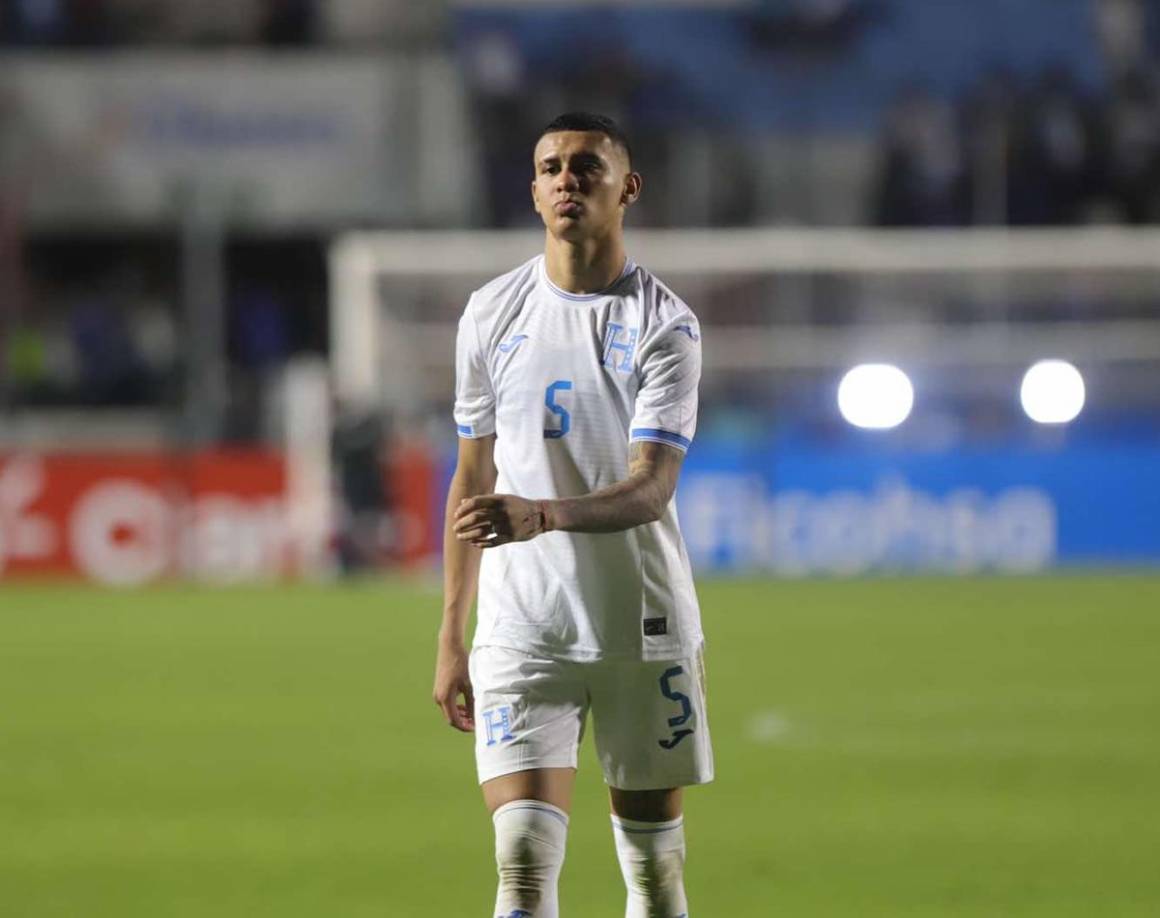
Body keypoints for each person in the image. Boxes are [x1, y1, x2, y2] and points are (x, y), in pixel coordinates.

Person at [433, 111, 712, 918]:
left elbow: (652, 488)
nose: (567, 180)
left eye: (587, 166)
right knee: (521, 865)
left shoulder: (664, 324)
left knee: (653, 876)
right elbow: (471, 476)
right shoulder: (491, 312)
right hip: (523, 627)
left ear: (628, 188)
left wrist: (543, 515)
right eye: (551, 167)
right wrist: (452, 632)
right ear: (533, 191)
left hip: (640, 624)